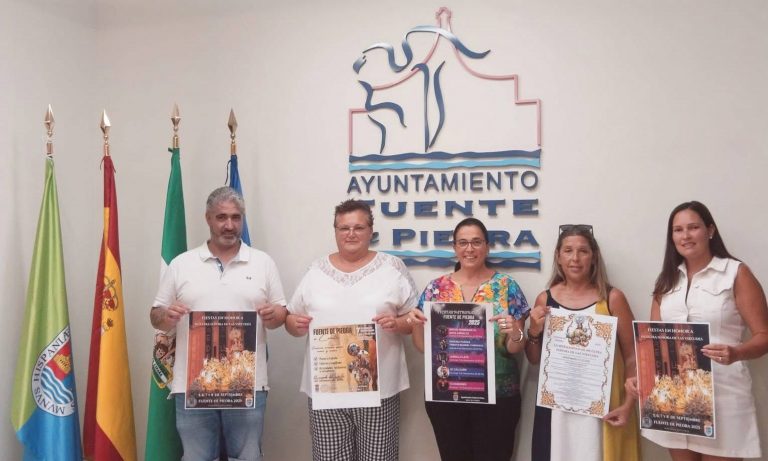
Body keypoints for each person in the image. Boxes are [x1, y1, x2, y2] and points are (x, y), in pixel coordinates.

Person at [149, 187, 287, 461]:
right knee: (197, 457)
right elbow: (156, 317)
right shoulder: (182, 263)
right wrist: (168, 315)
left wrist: (275, 316)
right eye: (221, 217)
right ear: (208, 218)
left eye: (236, 217)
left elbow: (281, 314)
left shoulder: (263, 263)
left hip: (246, 383)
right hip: (194, 385)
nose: (229, 225)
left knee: (247, 456)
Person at [626, 201, 768, 460]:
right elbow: (653, 343)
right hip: (674, 397)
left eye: (693, 227)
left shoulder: (735, 273)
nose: (686, 235)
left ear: (710, 230)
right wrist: (639, 376)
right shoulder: (667, 280)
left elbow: (764, 336)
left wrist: (736, 352)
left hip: (723, 395)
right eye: (678, 230)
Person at [285, 199, 418, 461]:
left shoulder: (393, 268)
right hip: (327, 391)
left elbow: (413, 318)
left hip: (379, 391)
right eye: (344, 228)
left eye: (358, 227)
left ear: (371, 231)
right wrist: (295, 325)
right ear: (335, 231)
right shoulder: (315, 271)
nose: (351, 234)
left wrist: (398, 323)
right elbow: (291, 319)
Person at [408, 217, 530, 461]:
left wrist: (514, 331)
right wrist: (415, 324)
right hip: (447, 395)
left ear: (486, 246)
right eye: (463, 242)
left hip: (498, 395)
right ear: (454, 247)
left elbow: (515, 347)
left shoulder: (507, 287)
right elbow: (424, 348)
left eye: (476, 242)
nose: (469, 249)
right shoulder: (436, 288)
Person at [526, 224, 640, 461]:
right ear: (558, 256)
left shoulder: (612, 299)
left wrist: (629, 404)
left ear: (593, 257)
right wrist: (534, 331)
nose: (575, 258)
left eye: (583, 251)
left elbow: (634, 355)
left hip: (601, 408)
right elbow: (534, 359)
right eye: (568, 250)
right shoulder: (545, 299)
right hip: (557, 411)